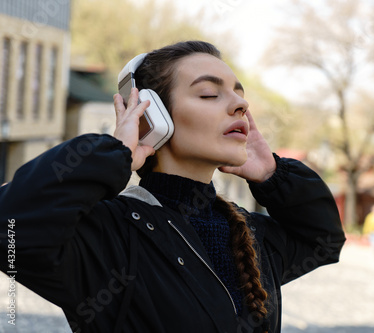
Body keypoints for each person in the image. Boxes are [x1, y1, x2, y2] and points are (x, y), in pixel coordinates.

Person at [0, 41, 345, 333]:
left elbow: (323, 239)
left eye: (239, 94)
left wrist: (273, 175)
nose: (241, 105)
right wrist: (114, 154)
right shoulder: (110, 234)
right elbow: (12, 227)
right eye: (209, 94)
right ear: (154, 118)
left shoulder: (250, 234)